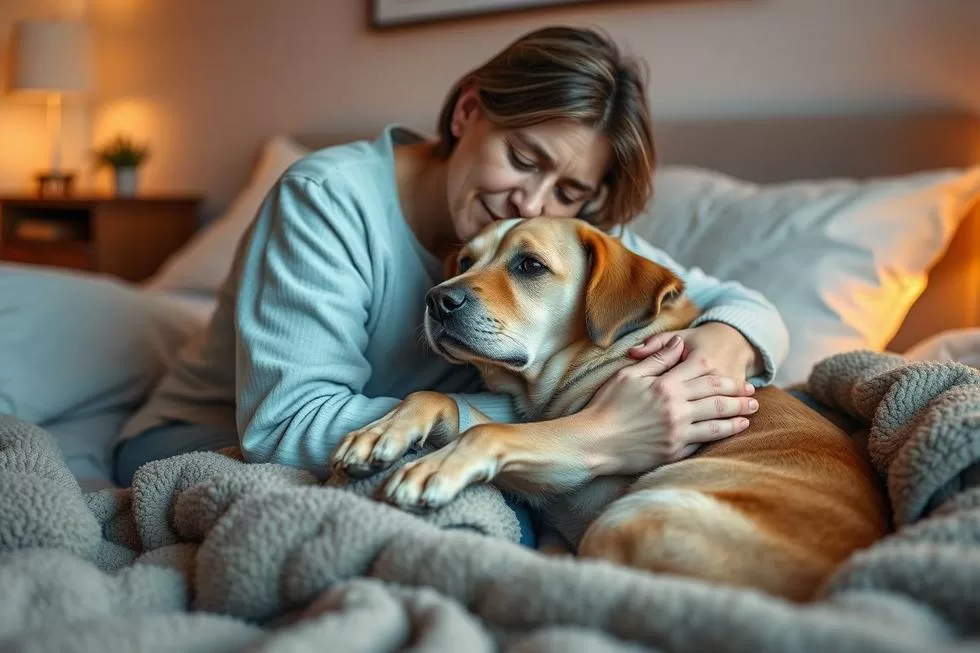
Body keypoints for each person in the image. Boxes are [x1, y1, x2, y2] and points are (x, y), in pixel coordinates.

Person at [113, 26, 789, 547]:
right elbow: (286, 426)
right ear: (468, 111)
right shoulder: (328, 198)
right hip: (202, 440)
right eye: (523, 158)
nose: (532, 201)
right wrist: (591, 433)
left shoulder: (555, 229)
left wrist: (719, 347)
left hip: (419, 445)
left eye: (570, 190)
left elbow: (749, 306)